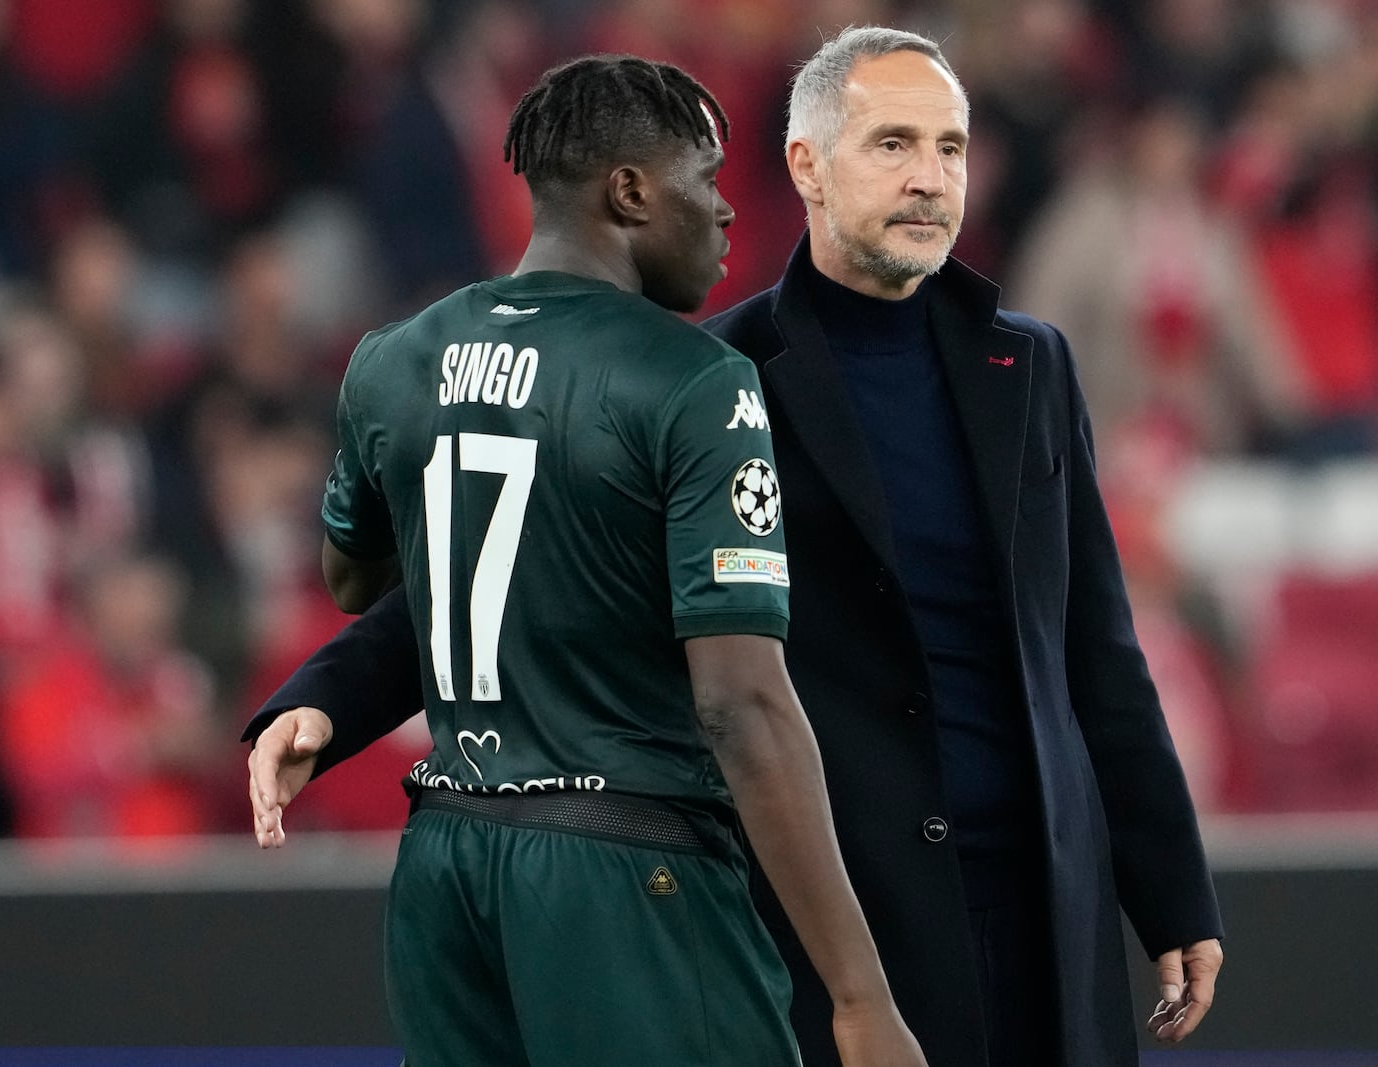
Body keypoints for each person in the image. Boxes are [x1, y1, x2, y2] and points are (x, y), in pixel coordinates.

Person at [247, 27, 1225, 1066]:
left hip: (1040, 898)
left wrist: (1169, 887)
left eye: (950, 148)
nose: (930, 178)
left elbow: (1094, 647)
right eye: (892, 144)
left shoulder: (1028, 367)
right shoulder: (709, 375)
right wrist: (331, 695)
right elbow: (521, 566)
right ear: (806, 164)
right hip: (838, 910)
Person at [254, 53, 926, 1067]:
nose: (727, 211)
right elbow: (740, 705)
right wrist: (858, 994)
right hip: (626, 873)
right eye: (704, 179)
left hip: (446, 868)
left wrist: (334, 692)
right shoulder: (695, 380)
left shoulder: (393, 358)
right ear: (629, 191)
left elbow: (359, 580)